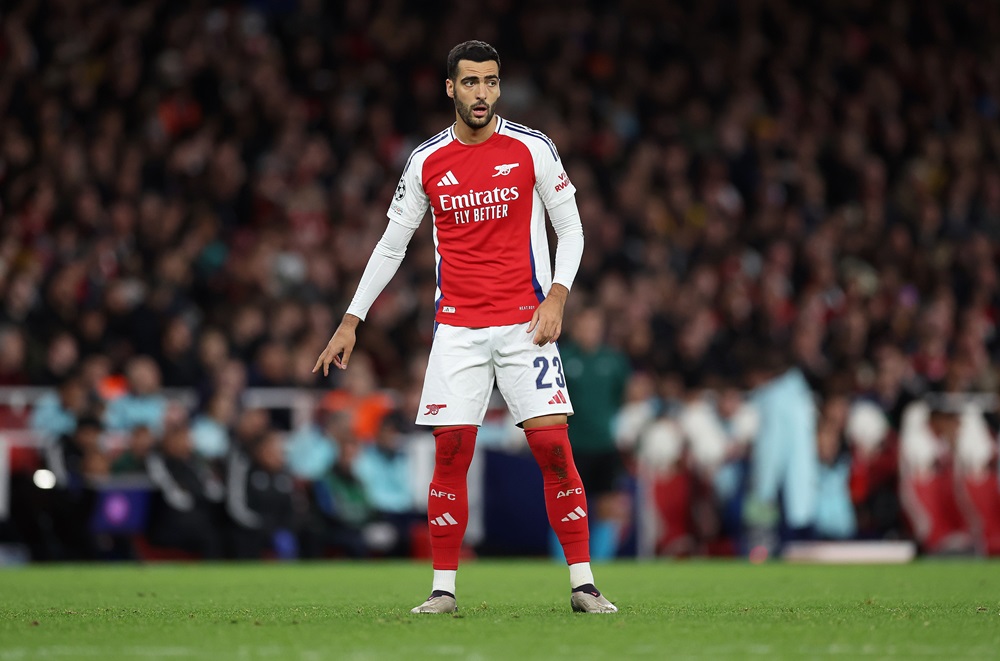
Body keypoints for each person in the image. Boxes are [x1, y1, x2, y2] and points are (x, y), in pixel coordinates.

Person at [314, 41, 615, 614]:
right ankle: (443, 591)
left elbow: (571, 229)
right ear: (450, 88)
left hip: (527, 324)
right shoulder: (426, 160)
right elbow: (391, 245)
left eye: (491, 82)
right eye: (471, 82)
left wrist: (557, 297)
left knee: (553, 448)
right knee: (450, 453)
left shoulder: (534, 149)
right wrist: (351, 320)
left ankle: (583, 584)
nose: (482, 93)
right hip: (457, 330)